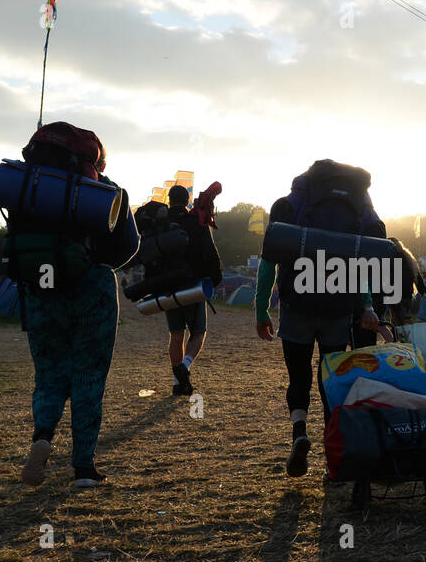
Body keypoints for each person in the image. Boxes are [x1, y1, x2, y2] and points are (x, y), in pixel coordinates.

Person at [13, 123, 124, 488]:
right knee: (88, 374)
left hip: (41, 286)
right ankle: (83, 469)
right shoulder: (106, 192)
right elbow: (128, 247)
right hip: (92, 287)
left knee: (48, 374)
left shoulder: (25, 187)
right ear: (95, 160)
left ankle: (42, 437)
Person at [254, 160, 381, 477]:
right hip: (338, 306)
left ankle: (299, 431)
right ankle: (334, 462)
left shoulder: (298, 198)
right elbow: (362, 257)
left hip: (297, 301)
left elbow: (271, 257)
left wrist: (261, 309)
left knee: (299, 378)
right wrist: (366, 304)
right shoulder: (357, 202)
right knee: (332, 384)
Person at [163, 184, 223, 395]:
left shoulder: (161, 223)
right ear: (187, 199)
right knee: (198, 332)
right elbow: (210, 252)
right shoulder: (194, 221)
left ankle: (179, 382)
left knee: (176, 335)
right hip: (192, 285)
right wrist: (215, 279)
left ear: (169, 200)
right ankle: (184, 367)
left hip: (167, 287)